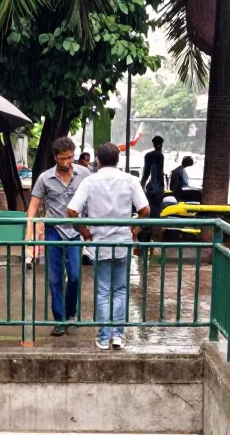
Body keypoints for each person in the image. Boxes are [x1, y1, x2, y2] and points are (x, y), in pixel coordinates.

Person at [67, 142, 149, 351]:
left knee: (103, 290)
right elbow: (145, 210)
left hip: (100, 242)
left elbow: (71, 211)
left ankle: (103, 337)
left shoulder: (90, 181)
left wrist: (86, 233)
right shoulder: (130, 180)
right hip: (122, 242)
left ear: (97, 160)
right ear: (118, 160)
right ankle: (117, 336)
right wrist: (135, 229)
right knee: (120, 290)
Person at [26, 136, 87, 336]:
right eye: (62, 158)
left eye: (70, 158)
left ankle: (71, 313)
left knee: (75, 276)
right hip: (53, 231)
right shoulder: (45, 178)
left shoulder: (84, 174)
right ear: (55, 157)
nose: (66, 162)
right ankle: (59, 319)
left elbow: (93, 198)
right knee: (54, 279)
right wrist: (29, 231)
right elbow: (33, 205)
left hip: (76, 230)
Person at [139, 136, 166, 241]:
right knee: (155, 213)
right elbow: (159, 174)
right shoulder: (160, 156)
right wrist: (162, 188)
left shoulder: (148, 155)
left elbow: (146, 173)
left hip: (149, 188)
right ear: (160, 144)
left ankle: (147, 234)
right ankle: (153, 238)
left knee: (149, 213)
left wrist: (142, 185)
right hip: (156, 189)